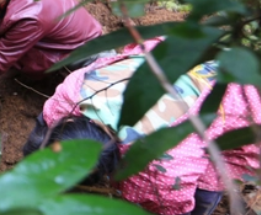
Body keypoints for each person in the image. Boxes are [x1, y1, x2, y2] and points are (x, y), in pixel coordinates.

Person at [22, 38, 261, 215]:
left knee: (206, 185)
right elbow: (41, 139)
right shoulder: (71, 95)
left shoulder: (160, 169)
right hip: (188, 52)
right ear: (70, 119)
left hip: (236, 101)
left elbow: (173, 207)